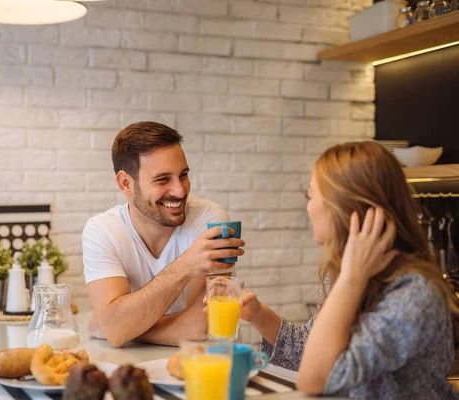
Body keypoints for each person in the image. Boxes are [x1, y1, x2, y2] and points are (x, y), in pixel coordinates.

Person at [239, 141, 459, 398]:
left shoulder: (414, 295)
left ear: (346, 208)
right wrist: (257, 314)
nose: (308, 207)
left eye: (311, 195)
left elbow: (316, 377)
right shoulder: (350, 276)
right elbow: (314, 351)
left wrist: (351, 279)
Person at [82, 121, 245, 348]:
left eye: (183, 175)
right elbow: (115, 329)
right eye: (162, 179)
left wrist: (121, 328)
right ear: (126, 183)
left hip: (198, 366)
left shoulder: (210, 221)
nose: (179, 190)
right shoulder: (102, 231)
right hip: (130, 369)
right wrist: (187, 265)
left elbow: (205, 325)